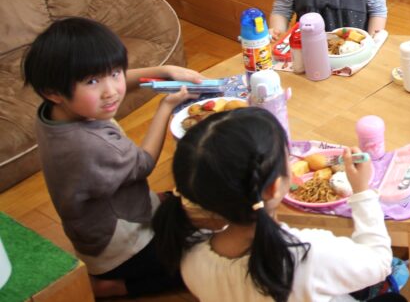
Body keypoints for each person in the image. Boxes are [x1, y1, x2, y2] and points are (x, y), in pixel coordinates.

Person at [22, 18, 202, 298]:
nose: (111, 91)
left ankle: (153, 209)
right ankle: (111, 287)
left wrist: (162, 71)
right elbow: (144, 163)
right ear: (53, 92)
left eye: (115, 73)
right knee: (198, 264)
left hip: (94, 226)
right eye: (93, 81)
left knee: (194, 208)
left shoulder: (52, 111)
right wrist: (165, 107)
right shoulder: (92, 145)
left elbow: (108, 81)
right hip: (123, 246)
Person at [153, 108, 396, 302]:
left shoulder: (190, 256)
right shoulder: (307, 253)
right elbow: (379, 262)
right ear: (274, 187)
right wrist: (362, 192)